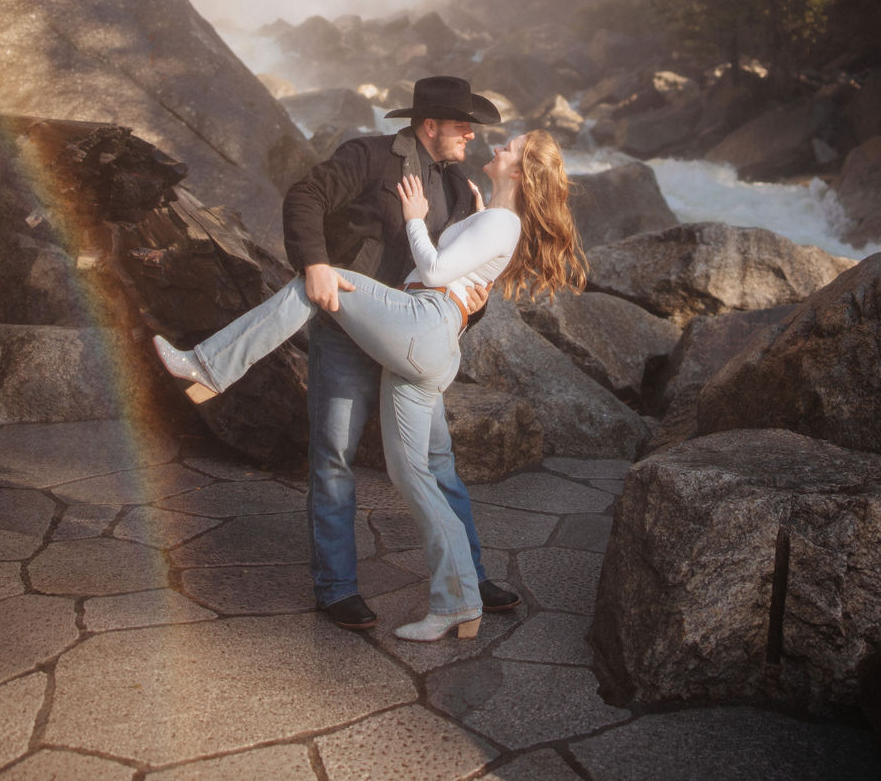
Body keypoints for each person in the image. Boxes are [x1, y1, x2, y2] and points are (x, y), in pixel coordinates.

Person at [155, 122, 586, 641]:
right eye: (463, 127)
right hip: (397, 328)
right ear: (432, 123)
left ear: (520, 169)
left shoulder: (478, 206)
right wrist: (323, 256)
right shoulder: (386, 162)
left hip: (420, 326)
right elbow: (309, 196)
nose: (480, 140)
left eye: (507, 146)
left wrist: (414, 220)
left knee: (323, 281)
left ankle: (207, 367)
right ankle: (453, 600)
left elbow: (440, 270)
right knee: (409, 475)